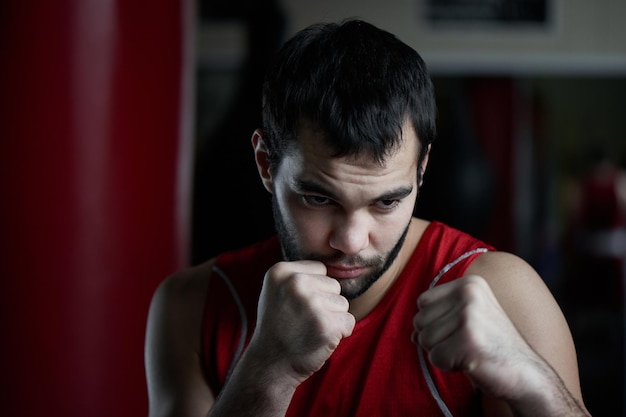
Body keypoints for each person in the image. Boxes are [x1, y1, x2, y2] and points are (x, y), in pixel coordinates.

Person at [145, 19, 590, 417]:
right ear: (265, 163)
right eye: (319, 199)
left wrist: (530, 379)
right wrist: (267, 371)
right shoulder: (193, 306)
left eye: (386, 202)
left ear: (422, 169)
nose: (353, 241)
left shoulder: (504, 294)